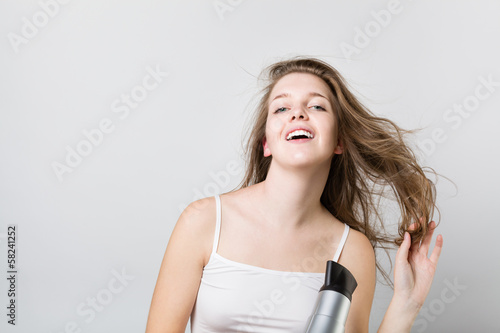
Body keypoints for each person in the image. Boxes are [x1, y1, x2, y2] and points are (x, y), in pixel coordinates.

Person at [145, 57, 444, 333]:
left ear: (339, 141)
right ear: (267, 144)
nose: (298, 113)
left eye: (316, 106)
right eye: (281, 108)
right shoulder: (204, 222)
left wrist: (407, 303)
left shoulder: (352, 250)